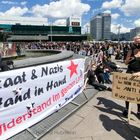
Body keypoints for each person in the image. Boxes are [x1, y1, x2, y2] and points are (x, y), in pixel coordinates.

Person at [123, 35, 140, 117]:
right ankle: (127, 108)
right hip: (130, 72)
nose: (137, 43)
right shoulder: (131, 50)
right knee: (128, 92)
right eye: (136, 41)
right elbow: (126, 63)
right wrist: (130, 59)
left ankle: (139, 111)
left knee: (138, 93)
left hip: (139, 74)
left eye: (139, 41)